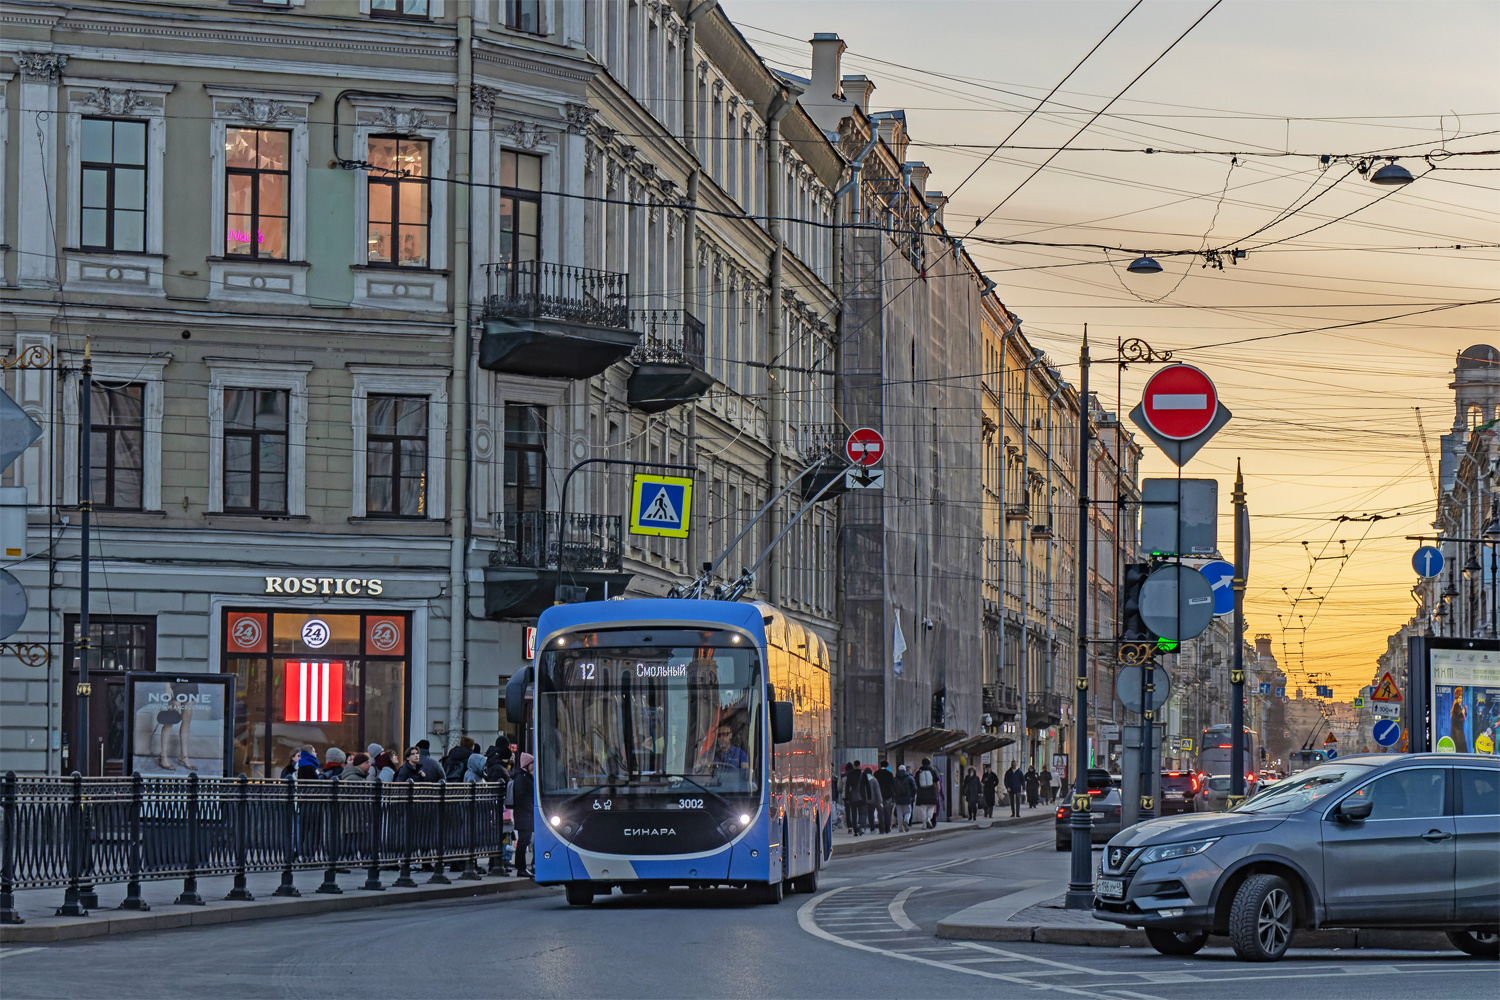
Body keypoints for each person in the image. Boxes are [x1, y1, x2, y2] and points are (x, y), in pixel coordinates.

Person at [512, 752, 536, 877]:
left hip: (524, 813)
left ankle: (522, 867)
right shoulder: (522, 778)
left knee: (525, 840)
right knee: (524, 841)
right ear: (528, 764)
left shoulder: (524, 776)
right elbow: (523, 797)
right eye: (532, 763)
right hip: (524, 814)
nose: (534, 765)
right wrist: (531, 809)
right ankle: (521, 868)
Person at [914, 757, 939, 829]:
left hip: (922, 792)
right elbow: (937, 781)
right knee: (931, 807)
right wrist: (937, 790)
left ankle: (924, 823)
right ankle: (928, 819)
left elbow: (916, 782)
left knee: (923, 808)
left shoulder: (919, 772)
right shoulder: (932, 771)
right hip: (931, 791)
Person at [843, 761, 866, 836]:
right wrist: (867, 796)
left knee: (853, 812)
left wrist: (847, 796)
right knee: (861, 812)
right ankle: (860, 825)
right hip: (861, 796)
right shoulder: (863, 774)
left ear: (854, 765)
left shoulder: (850, 774)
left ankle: (855, 829)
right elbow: (866, 786)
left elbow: (847, 786)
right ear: (860, 765)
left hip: (852, 796)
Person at [892, 764, 916, 832]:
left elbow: (893, 788)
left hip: (898, 798)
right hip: (907, 798)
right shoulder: (910, 778)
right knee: (908, 812)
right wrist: (912, 796)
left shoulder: (895, 779)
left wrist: (894, 796)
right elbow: (914, 788)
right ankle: (906, 820)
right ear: (905, 770)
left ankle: (900, 828)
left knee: (899, 813)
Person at [875, 761, 897, 834]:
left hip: (878, 796)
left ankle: (881, 829)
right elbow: (893, 785)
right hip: (888, 796)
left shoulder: (876, 773)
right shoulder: (889, 774)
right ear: (887, 766)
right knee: (887, 813)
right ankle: (887, 828)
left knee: (880, 813)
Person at [862, 766, 883, 834]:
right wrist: (879, 800)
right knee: (871, 815)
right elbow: (877, 791)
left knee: (863, 814)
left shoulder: (862, 780)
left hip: (863, 800)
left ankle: (863, 828)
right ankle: (872, 828)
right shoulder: (874, 780)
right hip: (872, 800)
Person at [1451, 686, 1470, 753]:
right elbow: (1460, 719)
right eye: (1460, 697)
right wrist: (1463, 712)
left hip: (1458, 733)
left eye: (1461, 697)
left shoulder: (1458, 706)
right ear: (1457, 698)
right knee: (1461, 750)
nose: (1461, 699)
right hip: (1458, 734)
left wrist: (1464, 712)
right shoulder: (1457, 706)